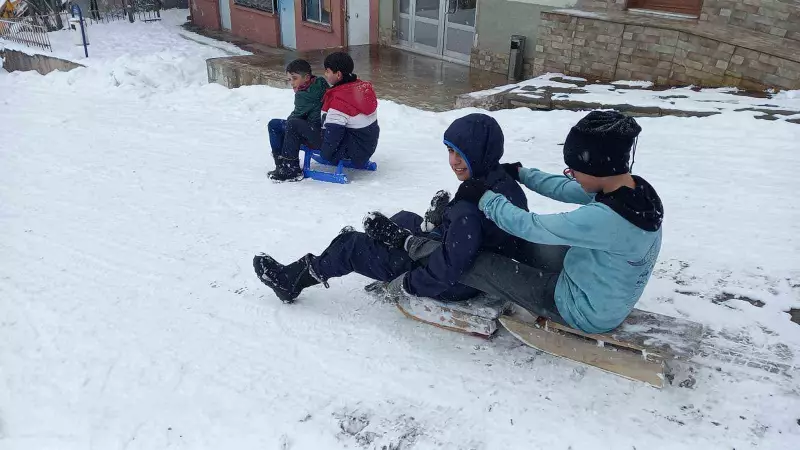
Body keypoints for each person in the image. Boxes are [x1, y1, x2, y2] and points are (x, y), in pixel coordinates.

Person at [366, 111, 664, 334]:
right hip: (603, 288)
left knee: (478, 263)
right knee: (525, 249)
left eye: (574, 170)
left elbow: (532, 226)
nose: (570, 175)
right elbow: (562, 188)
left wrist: (485, 197)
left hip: (582, 309)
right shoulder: (632, 191)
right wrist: (521, 173)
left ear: (597, 167)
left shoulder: (605, 219)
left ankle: (411, 250)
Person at [252, 114, 527, 303]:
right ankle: (380, 245)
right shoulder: (501, 182)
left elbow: (447, 269)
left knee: (351, 245)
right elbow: (472, 241)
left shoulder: (471, 205)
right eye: (449, 151)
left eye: (461, 153)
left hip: (458, 284)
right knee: (404, 219)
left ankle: (290, 281)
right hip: (477, 268)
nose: (453, 161)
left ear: (480, 153)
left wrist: (407, 284)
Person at [267, 59, 328, 181]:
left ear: (306, 77)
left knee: (275, 125)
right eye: (289, 79)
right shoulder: (320, 83)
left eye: (295, 78)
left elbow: (294, 118)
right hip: (325, 131)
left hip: (315, 134)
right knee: (291, 124)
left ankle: (287, 167)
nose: (292, 82)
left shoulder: (303, 95)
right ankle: (285, 166)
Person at [317, 52, 379, 169]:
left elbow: (333, 133)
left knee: (296, 126)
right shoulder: (361, 88)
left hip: (352, 152)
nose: (325, 74)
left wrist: (325, 154)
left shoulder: (340, 99)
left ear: (338, 74)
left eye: (327, 71)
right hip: (367, 146)